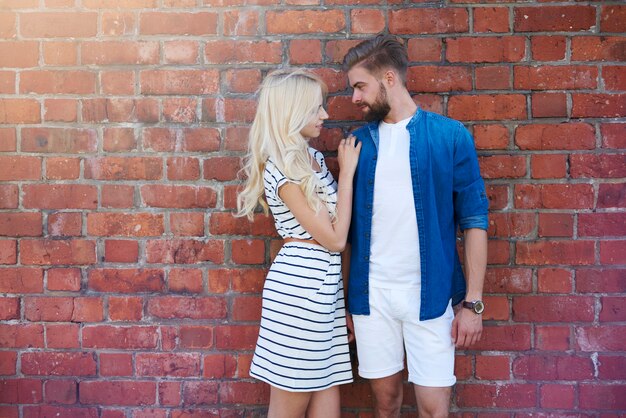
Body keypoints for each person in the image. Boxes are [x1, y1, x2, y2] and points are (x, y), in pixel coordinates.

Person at [341, 34, 489, 417]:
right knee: (385, 404)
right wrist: (346, 302)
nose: (354, 98)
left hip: (432, 295)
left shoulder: (450, 137)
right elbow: (344, 233)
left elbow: (474, 221)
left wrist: (473, 302)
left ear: (389, 79)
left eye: (360, 86)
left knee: (433, 409)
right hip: (372, 298)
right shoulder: (356, 145)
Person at [237, 68, 362, 418]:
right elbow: (336, 239)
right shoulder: (283, 168)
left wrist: (345, 304)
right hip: (300, 296)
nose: (324, 115)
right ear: (292, 113)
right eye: (315, 108)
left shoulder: (314, 160)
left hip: (326, 295)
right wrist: (348, 174)